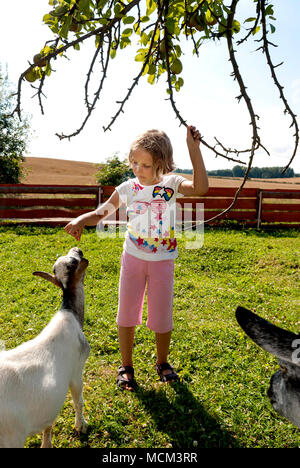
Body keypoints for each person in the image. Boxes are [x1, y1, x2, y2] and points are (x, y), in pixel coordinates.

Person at [64, 125, 208, 390]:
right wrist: (82, 219)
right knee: (127, 313)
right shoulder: (128, 187)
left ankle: (162, 362)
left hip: (163, 262)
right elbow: (102, 212)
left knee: (162, 315)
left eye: (145, 165)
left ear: (162, 164)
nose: (137, 169)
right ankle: (126, 365)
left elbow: (200, 189)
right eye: (134, 162)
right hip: (132, 258)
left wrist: (193, 149)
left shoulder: (172, 184)